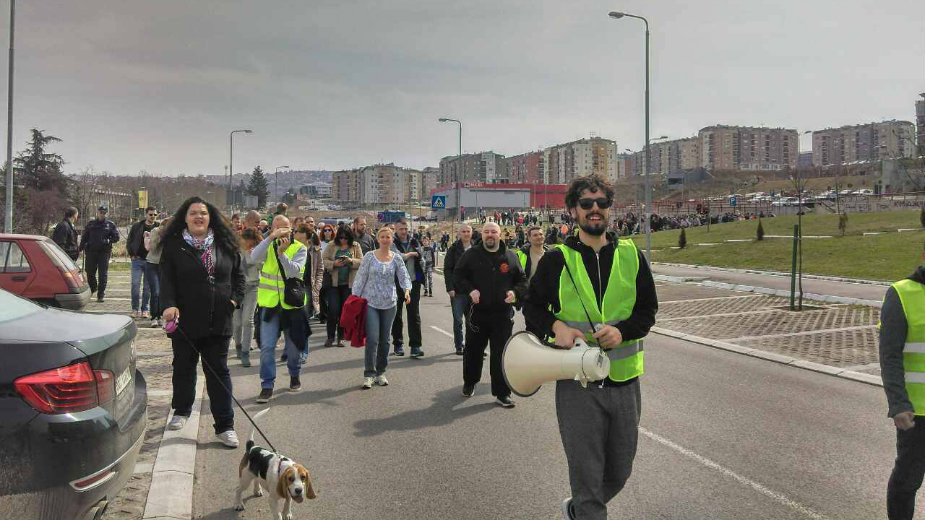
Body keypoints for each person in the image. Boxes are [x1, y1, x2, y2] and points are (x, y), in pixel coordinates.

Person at [524, 174, 657, 520]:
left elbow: (648, 311)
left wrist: (623, 331)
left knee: (619, 472)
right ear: (573, 210)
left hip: (625, 382)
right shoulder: (557, 260)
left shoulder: (633, 256)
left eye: (601, 203)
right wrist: (556, 328)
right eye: (586, 204)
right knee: (586, 478)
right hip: (577, 385)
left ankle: (578, 509)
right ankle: (585, 509)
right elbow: (532, 307)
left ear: (610, 209)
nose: (595, 209)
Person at [159, 197, 245, 448]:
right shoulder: (174, 247)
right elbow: (166, 281)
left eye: (203, 213)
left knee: (218, 373)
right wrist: (168, 305)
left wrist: (233, 302)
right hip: (185, 321)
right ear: (184, 218)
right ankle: (182, 411)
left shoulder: (225, 245)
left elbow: (240, 278)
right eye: (193, 213)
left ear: (211, 218)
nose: (199, 217)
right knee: (183, 368)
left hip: (219, 322)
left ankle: (225, 426)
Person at [453, 222, 527, 408]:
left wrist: (515, 293)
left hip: (502, 315)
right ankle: (470, 382)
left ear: (500, 234)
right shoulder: (471, 255)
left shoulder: (510, 257)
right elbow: (458, 276)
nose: (490, 235)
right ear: (482, 234)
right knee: (473, 352)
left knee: (501, 355)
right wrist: (470, 290)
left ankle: (502, 393)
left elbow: (522, 281)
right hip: (477, 314)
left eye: (493, 231)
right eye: (486, 232)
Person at [880, 246, 925, 519]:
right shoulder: (901, 294)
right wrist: (898, 403)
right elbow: (890, 355)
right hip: (916, 413)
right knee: (907, 481)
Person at [252, 215, 309, 403]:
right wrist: (269, 238)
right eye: (277, 228)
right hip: (269, 304)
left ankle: (294, 373)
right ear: (272, 228)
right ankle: (267, 385)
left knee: (293, 348)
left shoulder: (300, 248)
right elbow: (253, 257)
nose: (281, 232)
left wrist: (282, 254)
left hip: (291, 305)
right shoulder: (268, 245)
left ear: (291, 228)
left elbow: (294, 271)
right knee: (267, 347)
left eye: (284, 228)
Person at [351, 227, 412, 389]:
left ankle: (381, 372)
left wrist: (407, 291)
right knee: (372, 338)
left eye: (388, 237)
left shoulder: (396, 258)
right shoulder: (370, 257)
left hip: (389, 303)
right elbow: (360, 277)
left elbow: (404, 276)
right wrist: (354, 298)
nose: (385, 239)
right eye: (382, 237)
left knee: (385, 340)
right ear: (378, 239)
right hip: (370, 302)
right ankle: (369, 374)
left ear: (392, 239)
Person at [322, 227, 362, 347]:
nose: (343, 240)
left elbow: (361, 261)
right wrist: (333, 264)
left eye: (345, 237)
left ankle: (341, 337)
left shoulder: (355, 246)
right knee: (333, 310)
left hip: (348, 284)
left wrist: (350, 261)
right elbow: (324, 260)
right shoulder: (331, 245)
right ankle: (330, 337)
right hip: (333, 284)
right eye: (341, 237)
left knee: (344, 312)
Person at [390, 219, 425, 358]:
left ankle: (415, 346)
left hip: (413, 282)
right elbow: (398, 257)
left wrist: (416, 254)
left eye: (405, 228)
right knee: (397, 314)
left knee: (414, 314)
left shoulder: (414, 241)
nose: (404, 231)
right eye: (401, 229)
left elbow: (421, 254)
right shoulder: (392, 243)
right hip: (397, 283)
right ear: (396, 230)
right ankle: (398, 343)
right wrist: (411, 254)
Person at [443, 224, 475, 355]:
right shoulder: (453, 249)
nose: (466, 234)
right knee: (458, 320)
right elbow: (447, 269)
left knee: (473, 321)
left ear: (471, 233)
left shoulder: (477, 248)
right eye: (464, 231)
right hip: (457, 291)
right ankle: (459, 345)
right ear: (459, 233)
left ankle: (473, 346)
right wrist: (450, 288)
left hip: (474, 291)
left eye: (468, 231)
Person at [232, 228, 261, 367]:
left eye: (251, 243)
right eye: (246, 242)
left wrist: (255, 257)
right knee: (237, 322)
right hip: (237, 289)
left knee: (247, 320)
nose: (249, 245)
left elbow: (264, 266)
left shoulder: (257, 251)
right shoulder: (234, 250)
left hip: (253, 287)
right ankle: (238, 345)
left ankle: (245, 353)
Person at [79, 206, 120, 302]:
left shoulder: (110, 225)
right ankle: (93, 287)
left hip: (104, 252)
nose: (102, 214)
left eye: (104, 213)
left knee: (103, 274)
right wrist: (81, 247)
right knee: (89, 272)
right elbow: (84, 237)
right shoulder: (91, 224)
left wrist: (109, 240)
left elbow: (116, 237)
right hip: (91, 251)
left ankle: (100, 294)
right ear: (97, 212)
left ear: (106, 214)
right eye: (101, 212)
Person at [127, 206, 159, 318]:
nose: (153, 217)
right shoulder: (137, 226)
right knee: (135, 285)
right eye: (151, 214)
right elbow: (129, 240)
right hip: (138, 260)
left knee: (148, 287)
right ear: (146, 214)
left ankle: (145, 309)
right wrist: (131, 254)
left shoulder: (158, 227)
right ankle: (135, 309)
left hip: (152, 262)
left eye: (155, 214)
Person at [145, 215, 171, 328]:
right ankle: (154, 317)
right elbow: (153, 248)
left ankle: (161, 315)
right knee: (155, 291)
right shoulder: (156, 231)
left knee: (162, 292)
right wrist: (161, 236)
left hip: (164, 265)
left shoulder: (172, 234)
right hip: (152, 264)